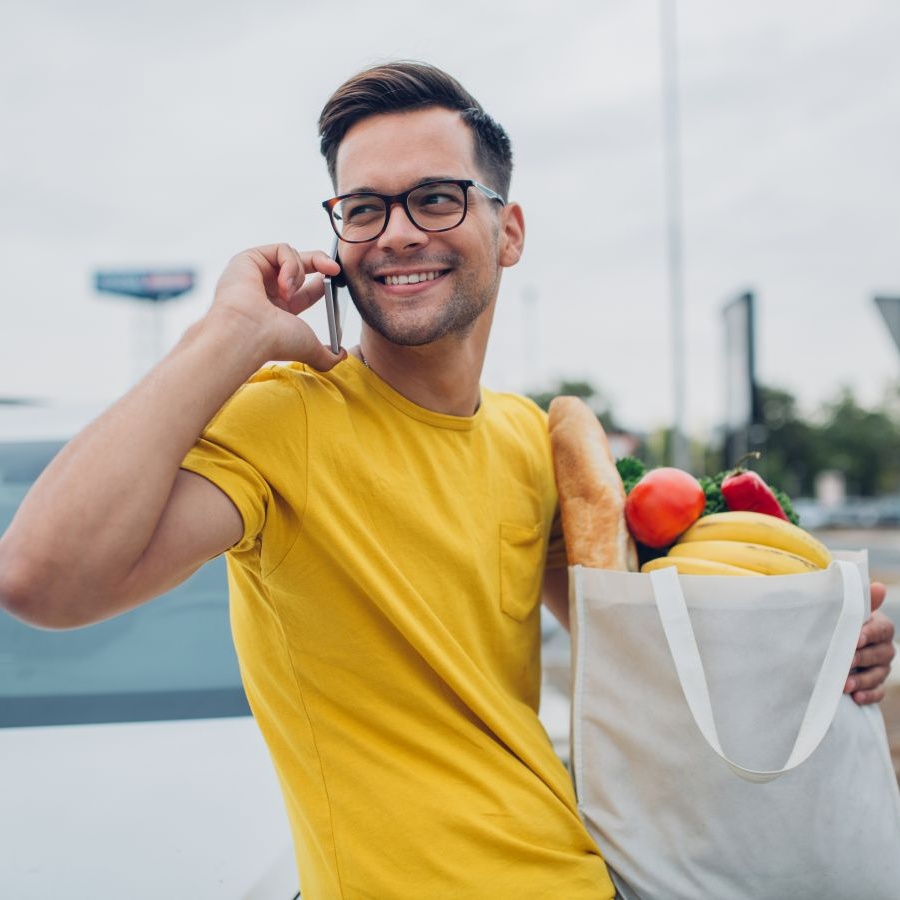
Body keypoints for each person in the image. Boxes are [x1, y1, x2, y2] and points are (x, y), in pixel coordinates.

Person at [0, 61, 894, 898]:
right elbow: (42, 581)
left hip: (586, 875)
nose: (396, 235)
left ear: (507, 231)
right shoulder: (286, 418)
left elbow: (655, 655)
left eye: (435, 198)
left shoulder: (526, 438)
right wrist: (228, 335)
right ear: (338, 235)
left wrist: (805, 646)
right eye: (364, 209)